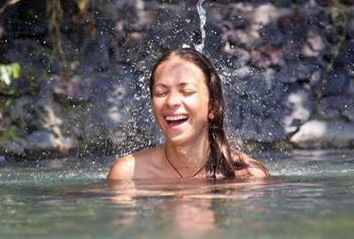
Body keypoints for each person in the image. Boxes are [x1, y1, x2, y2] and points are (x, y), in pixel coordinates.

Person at [107, 47, 269, 180]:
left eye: (186, 91)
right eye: (161, 92)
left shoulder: (248, 176)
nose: (171, 102)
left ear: (212, 106)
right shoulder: (128, 174)